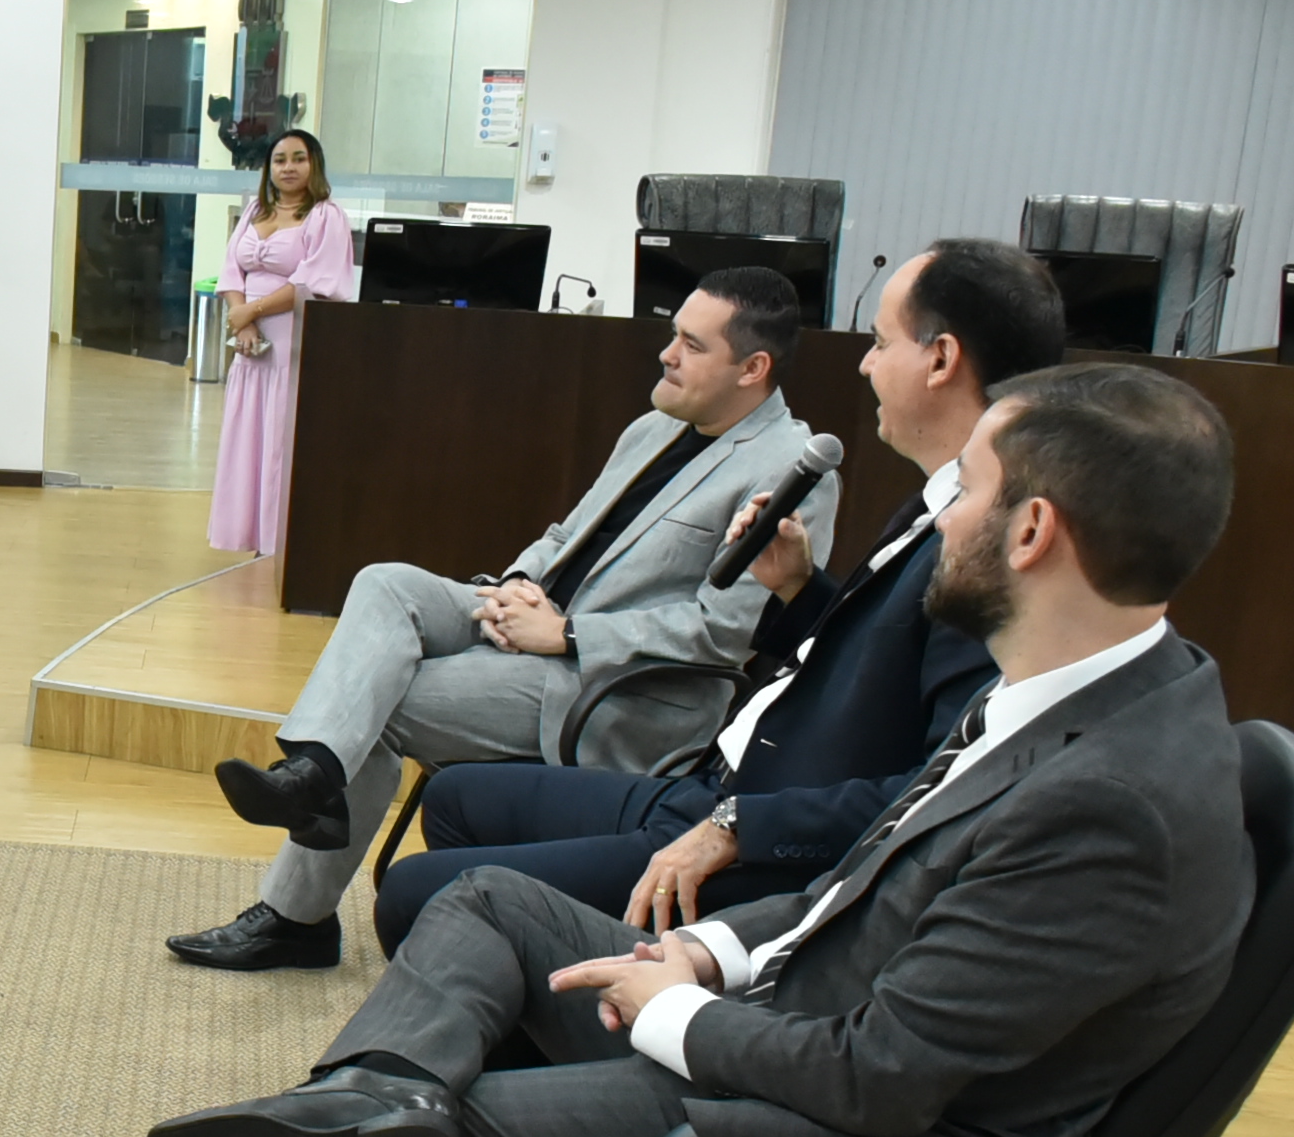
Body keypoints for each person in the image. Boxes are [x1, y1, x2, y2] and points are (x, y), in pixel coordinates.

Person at [89, 362, 1247, 1137]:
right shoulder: (1082, 689)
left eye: (971, 492)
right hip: (806, 1043)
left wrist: (669, 1011)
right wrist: (708, 940)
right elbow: (865, 882)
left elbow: (881, 1084)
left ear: (1034, 531)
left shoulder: (1110, 804)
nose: (942, 515)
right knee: (485, 906)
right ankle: (381, 1088)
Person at [370, 239, 1065, 956]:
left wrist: (739, 829)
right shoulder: (933, 502)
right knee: (456, 802)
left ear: (941, 359)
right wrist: (798, 588)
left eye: (881, 343)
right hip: (716, 783)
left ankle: (610, 1010)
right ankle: (535, 987)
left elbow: (937, 783)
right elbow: (873, 659)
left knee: (415, 895)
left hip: (756, 834)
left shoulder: (987, 543)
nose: (863, 363)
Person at [169, 267, 832, 972]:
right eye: (674, 336)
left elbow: (724, 631)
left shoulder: (789, 468)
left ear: (753, 367)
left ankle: (295, 910)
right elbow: (565, 534)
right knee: (386, 583)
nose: (667, 354)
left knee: (382, 702)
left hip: (613, 687)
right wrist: (520, 584)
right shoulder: (655, 427)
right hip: (538, 624)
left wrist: (567, 633)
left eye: (692, 345)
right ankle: (312, 775)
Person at [208, 130, 354, 558]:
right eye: (279, 160)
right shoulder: (255, 208)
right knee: (247, 433)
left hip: (292, 340)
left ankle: (277, 543)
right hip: (251, 343)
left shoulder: (327, 217)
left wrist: (251, 313)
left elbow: (314, 282)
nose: (288, 168)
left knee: (279, 440)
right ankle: (247, 535)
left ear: (315, 165)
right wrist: (243, 322)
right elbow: (231, 271)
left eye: (298, 159)